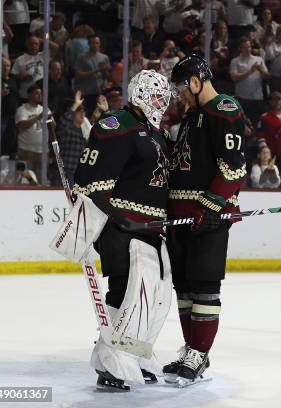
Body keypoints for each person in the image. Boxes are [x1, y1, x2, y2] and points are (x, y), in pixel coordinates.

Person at [72, 69, 174, 391]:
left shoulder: (154, 132)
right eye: (155, 95)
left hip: (151, 229)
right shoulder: (115, 125)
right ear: (140, 95)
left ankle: (133, 353)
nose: (162, 101)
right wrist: (117, 218)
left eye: (163, 95)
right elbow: (90, 182)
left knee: (155, 297)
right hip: (122, 229)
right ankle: (109, 362)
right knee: (127, 291)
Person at [164, 55, 247, 384]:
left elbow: (234, 167)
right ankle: (191, 348)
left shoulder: (223, 109)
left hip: (206, 216)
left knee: (204, 286)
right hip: (180, 217)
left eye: (183, 88)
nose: (180, 95)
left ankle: (200, 352)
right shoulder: (192, 115)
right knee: (183, 287)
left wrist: (211, 206)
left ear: (198, 81)